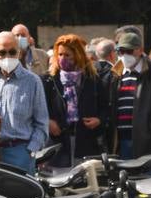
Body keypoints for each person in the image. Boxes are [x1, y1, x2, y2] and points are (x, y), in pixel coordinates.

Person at [0, 30, 49, 172]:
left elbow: (42, 123)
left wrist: (30, 151)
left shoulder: (33, 81)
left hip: (20, 153)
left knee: (20, 195)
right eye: (2, 53)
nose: (7, 57)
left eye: (12, 52)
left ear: (19, 53)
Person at [106, 29, 151, 166]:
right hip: (120, 142)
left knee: (148, 184)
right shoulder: (116, 74)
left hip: (146, 142)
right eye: (121, 51)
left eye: (129, 51)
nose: (124, 55)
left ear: (140, 50)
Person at [42, 33, 107, 167]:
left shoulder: (92, 79)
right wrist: (47, 122)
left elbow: (105, 107)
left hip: (86, 144)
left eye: (67, 55)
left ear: (77, 56)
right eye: (60, 55)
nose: (62, 59)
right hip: (58, 145)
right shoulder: (49, 80)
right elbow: (39, 108)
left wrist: (99, 120)